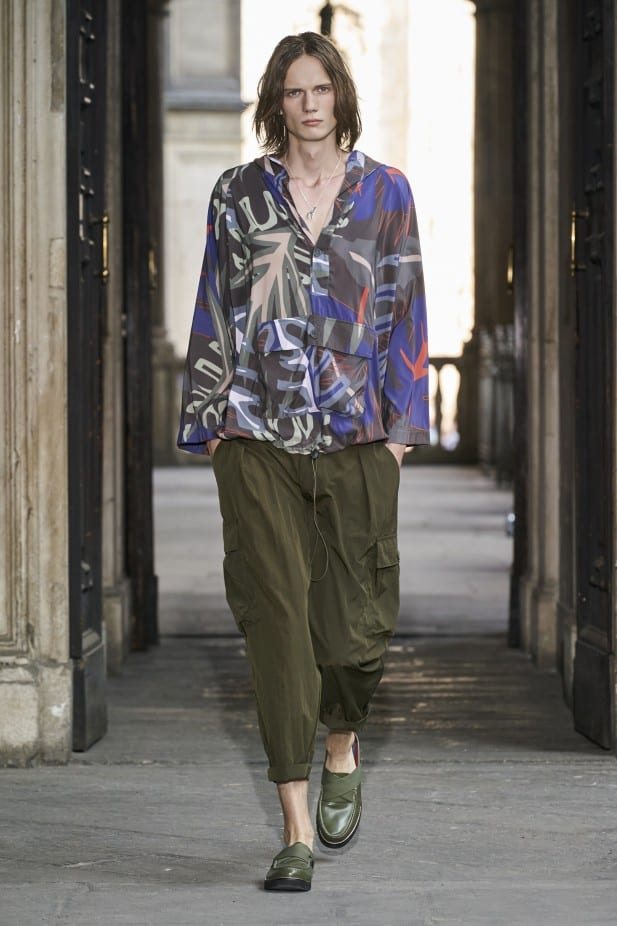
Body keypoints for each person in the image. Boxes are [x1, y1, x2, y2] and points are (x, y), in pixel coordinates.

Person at [177, 31, 429, 892]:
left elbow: (405, 306)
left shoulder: (385, 191)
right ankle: (292, 830)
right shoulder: (238, 193)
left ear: (339, 97)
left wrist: (397, 437)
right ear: (275, 104)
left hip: (357, 438)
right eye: (293, 91)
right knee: (277, 625)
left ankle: (341, 743)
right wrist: (212, 424)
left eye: (320, 89)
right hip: (256, 435)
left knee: (355, 633)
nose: (309, 104)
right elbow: (213, 304)